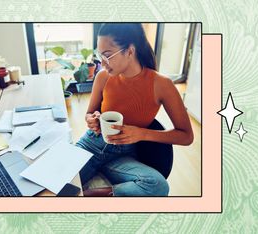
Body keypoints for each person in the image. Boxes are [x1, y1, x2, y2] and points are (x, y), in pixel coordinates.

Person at [75, 23, 194, 196]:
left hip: (123, 156)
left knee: (158, 186)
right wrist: (91, 119)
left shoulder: (162, 85)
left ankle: (97, 194)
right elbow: (89, 113)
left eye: (107, 56)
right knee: (55, 184)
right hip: (91, 144)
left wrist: (142, 133)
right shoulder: (102, 77)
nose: (102, 63)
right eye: (100, 56)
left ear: (130, 51)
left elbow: (186, 136)